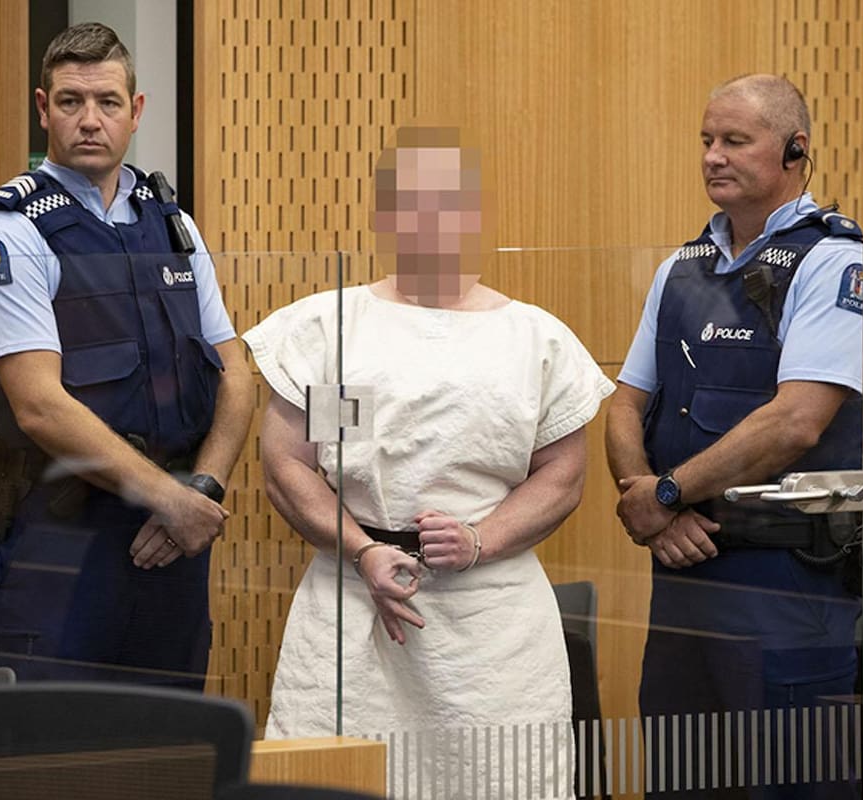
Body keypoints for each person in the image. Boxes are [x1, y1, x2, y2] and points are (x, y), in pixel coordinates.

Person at [243, 126, 615, 799]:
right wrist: (362, 551)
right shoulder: (333, 330)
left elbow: (563, 474)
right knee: (335, 783)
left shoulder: (533, 337)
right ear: (386, 216)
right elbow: (292, 467)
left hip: (493, 631)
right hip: (352, 605)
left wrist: (481, 539)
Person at [605, 74, 863, 798]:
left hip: (786, 581)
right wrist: (650, 507)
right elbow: (623, 403)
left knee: (788, 779)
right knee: (681, 776)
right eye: (706, 140)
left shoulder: (835, 264)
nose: (712, 156)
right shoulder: (682, 268)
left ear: (796, 149)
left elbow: (797, 421)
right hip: (682, 574)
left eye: (735, 140)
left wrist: (666, 492)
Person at [0, 22, 254, 688]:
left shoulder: (171, 223)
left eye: (108, 102)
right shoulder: (12, 230)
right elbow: (38, 405)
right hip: (63, 543)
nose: (89, 120)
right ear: (42, 109)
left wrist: (199, 490)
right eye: (70, 102)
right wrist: (170, 501)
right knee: (55, 757)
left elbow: (236, 372)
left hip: (172, 542)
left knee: (172, 752)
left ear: (136, 111)